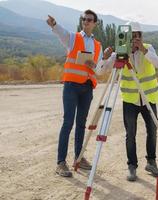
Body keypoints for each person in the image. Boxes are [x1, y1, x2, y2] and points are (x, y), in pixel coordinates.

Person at [46, 10, 107, 177]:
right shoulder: (73, 38)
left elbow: (100, 70)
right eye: (84, 19)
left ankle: (78, 159)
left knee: (81, 124)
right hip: (72, 86)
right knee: (68, 123)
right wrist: (54, 25)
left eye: (89, 20)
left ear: (95, 23)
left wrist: (97, 63)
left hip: (87, 87)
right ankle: (61, 163)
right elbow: (62, 33)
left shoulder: (98, 45)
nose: (86, 22)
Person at [102, 21, 158, 181]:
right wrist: (105, 57)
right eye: (132, 36)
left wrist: (143, 50)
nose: (135, 39)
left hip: (148, 99)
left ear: (141, 36)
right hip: (130, 101)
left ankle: (151, 162)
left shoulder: (148, 48)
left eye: (138, 36)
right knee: (130, 134)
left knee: (152, 131)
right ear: (126, 37)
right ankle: (132, 166)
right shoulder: (121, 51)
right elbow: (101, 70)